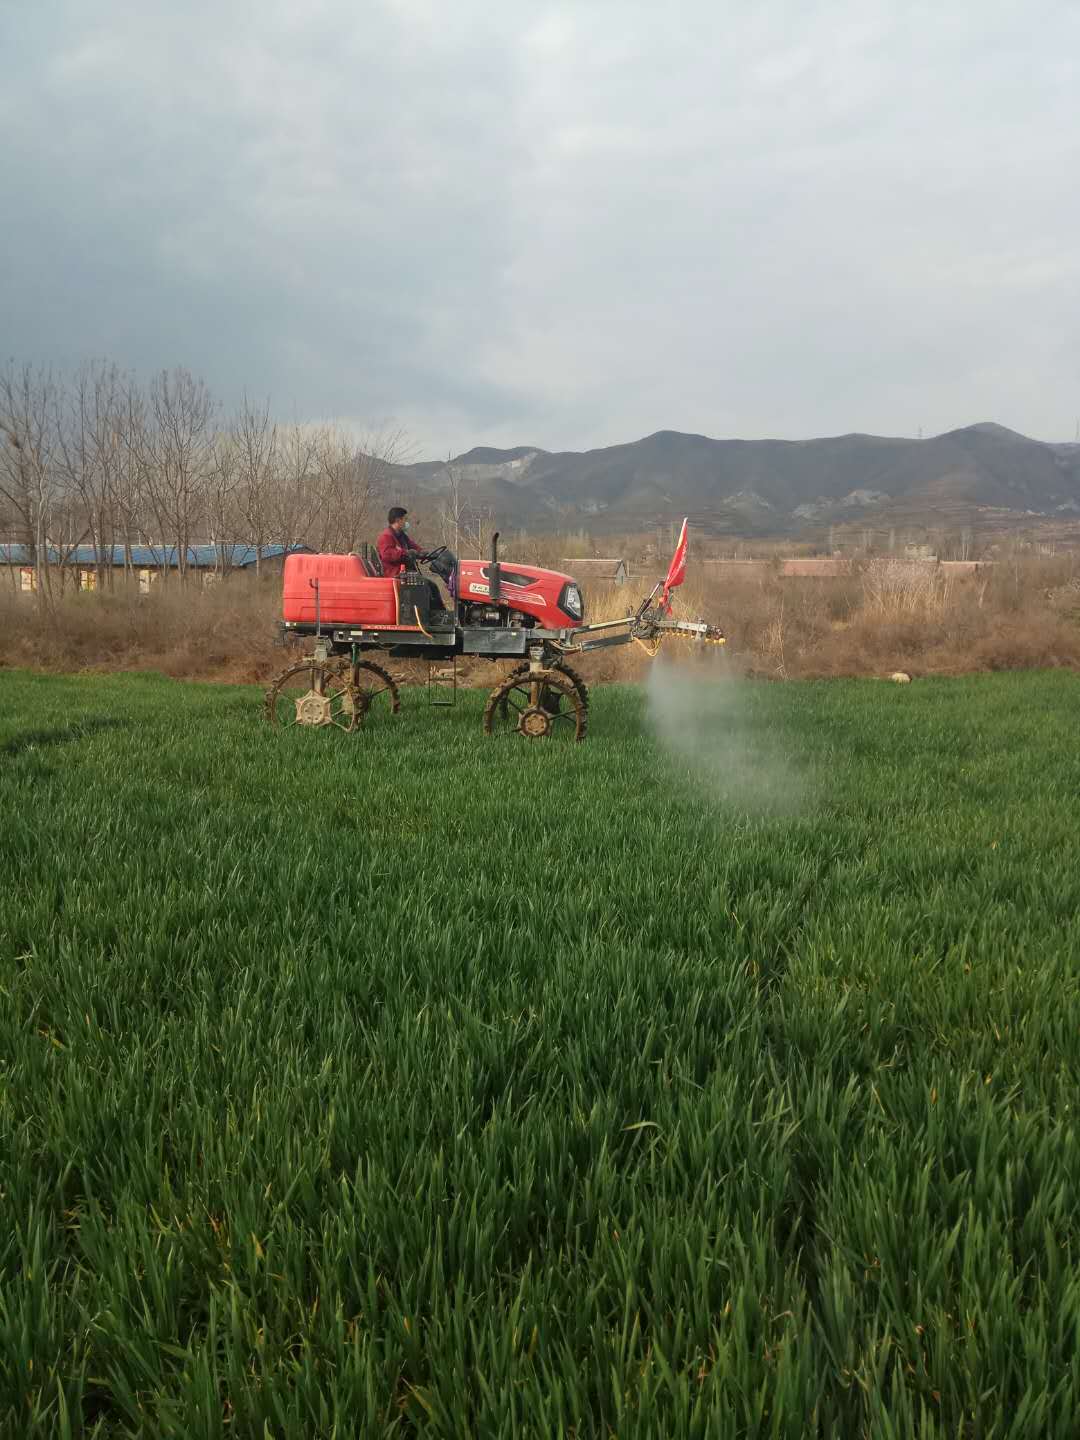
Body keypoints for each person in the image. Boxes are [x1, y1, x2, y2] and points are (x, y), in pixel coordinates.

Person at [376, 506, 447, 616]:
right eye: (405, 519)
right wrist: (406, 553)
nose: (406, 522)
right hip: (396, 575)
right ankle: (433, 616)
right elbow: (387, 555)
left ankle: (439, 615)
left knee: (432, 586)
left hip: (406, 574)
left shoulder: (402, 536)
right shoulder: (386, 537)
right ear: (398, 520)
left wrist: (425, 553)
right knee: (427, 586)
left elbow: (413, 547)